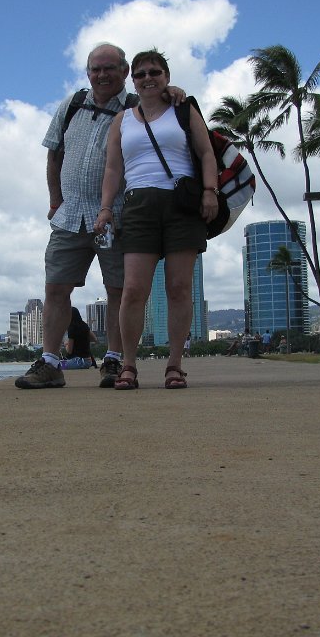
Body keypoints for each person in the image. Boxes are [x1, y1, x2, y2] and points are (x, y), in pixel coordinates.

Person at [16, 43, 184, 389]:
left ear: (125, 72)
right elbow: (54, 156)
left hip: (119, 215)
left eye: (110, 68)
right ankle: (49, 362)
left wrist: (172, 92)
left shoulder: (139, 108)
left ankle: (114, 360)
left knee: (119, 290)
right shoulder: (72, 105)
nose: (102, 74)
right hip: (71, 215)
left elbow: (169, 115)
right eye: (96, 68)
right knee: (55, 288)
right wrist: (54, 200)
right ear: (88, 72)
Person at [94, 49, 218, 390]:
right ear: (133, 81)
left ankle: (175, 364)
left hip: (181, 204)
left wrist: (211, 191)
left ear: (166, 76)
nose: (148, 78)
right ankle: (128, 365)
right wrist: (106, 208)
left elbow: (206, 152)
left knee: (179, 288)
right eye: (141, 74)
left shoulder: (183, 109)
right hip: (138, 206)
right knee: (133, 290)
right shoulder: (123, 120)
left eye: (155, 72)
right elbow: (113, 168)